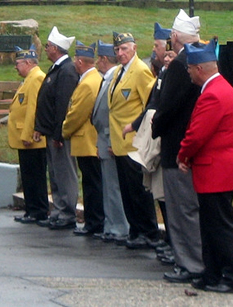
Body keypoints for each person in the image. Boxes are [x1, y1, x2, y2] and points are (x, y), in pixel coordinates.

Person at [178, 40, 233, 294]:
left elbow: (197, 134)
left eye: (189, 68)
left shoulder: (213, 94)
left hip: (216, 170)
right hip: (219, 168)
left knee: (219, 226)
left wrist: (183, 156)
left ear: (199, 69)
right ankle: (213, 273)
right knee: (211, 225)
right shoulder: (221, 88)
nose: (187, 72)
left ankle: (232, 277)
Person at [152, 9, 204, 283]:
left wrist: (155, 127)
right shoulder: (197, 61)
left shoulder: (180, 65)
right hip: (190, 145)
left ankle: (189, 263)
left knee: (181, 210)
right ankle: (192, 260)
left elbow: (166, 107)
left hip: (177, 147)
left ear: (174, 36)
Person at [108, 32, 160, 249]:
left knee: (139, 191)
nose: (120, 54)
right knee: (127, 191)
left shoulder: (140, 71)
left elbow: (150, 105)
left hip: (134, 142)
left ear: (135, 48)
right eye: (117, 50)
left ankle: (148, 231)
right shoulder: (120, 71)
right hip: (120, 142)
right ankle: (135, 229)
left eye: (124, 49)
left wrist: (138, 128)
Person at [33, 26, 79, 230]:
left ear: (56, 49)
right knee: (55, 172)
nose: (46, 49)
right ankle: (59, 209)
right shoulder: (57, 69)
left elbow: (63, 104)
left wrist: (59, 133)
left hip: (59, 133)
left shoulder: (67, 71)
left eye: (48, 46)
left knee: (64, 172)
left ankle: (67, 211)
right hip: (51, 131)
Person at [62, 41, 104, 236]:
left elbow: (77, 113)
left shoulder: (88, 83)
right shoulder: (92, 79)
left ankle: (94, 223)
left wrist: (64, 130)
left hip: (87, 140)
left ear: (79, 62)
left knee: (92, 185)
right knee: (92, 182)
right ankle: (94, 221)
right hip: (88, 141)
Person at [91, 40, 129, 244]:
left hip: (110, 137)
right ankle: (112, 224)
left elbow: (112, 112)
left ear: (104, 59)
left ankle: (119, 227)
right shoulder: (108, 79)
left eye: (99, 58)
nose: (97, 61)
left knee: (114, 187)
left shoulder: (114, 78)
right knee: (109, 186)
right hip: (105, 137)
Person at [9, 45, 49, 224]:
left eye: (18, 63)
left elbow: (34, 108)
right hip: (23, 137)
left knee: (35, 175)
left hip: (31, 138)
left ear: (27, 62)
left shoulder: (37, 78)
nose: (16, 67)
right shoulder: (29, 79)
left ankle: (38, 210)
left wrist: (28, 134)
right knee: (28, 175)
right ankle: (31, 209)